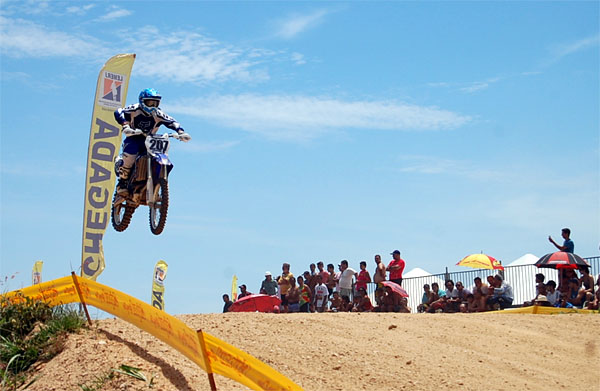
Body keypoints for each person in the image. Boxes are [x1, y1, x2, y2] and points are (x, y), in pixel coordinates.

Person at [113, 88, 191, 196]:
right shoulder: (134, 108)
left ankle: (155, 182)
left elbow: (172, 121)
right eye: (150, 102)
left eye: (155, 103)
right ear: (142, 101)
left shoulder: (158, 113)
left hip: (150, 140)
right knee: (130, 156)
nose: (152, 106)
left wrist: (180, 132)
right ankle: (122, 182)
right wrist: (125, 125)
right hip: (134, 137)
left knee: (158, 155)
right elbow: (118, 111)